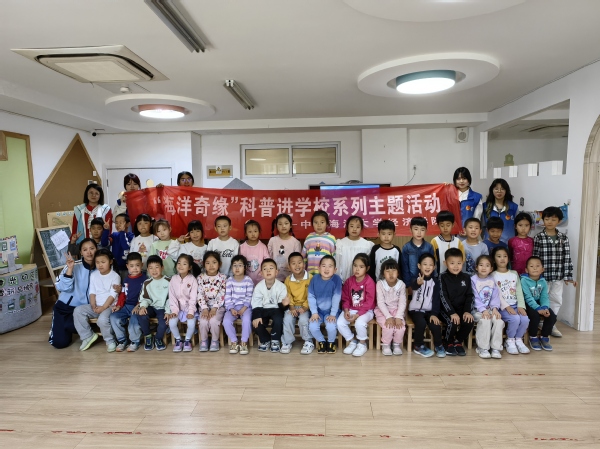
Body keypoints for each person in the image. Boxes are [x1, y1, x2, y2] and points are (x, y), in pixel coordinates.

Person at [533, 206, 576, 338]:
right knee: (542, 299)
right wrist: (535, 274)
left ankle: (551, 323)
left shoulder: (563, 238)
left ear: (559, 221)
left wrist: (568, 276)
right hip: (543, 277)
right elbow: (535, 257)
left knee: (556, 299)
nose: (550, 222)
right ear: (543, 220)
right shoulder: (538, 237)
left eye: (553, 219)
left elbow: (566, 257)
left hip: (558, 276)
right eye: (547, 219)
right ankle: (542, 322)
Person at [49, 238, 97, 349]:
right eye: (85, 250)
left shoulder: (101, 266)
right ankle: (58, 328)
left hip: (85, 309)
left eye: (92, 248)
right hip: (65, 307)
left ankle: (70, 327)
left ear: (97, 249)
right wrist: (70, 269)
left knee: (79, 325)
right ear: (81, 252)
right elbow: (61, 287)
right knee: (59, 344)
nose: (89, 252)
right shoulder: (74, 265)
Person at [73, 249, 121, 352]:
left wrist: (103, 307)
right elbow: (92, 291)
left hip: (109, 306)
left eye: (103, 262)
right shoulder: (94, 274)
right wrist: (93, 305)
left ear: (110, 261)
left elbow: (113, 295)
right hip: (97, 306)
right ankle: (87, 336)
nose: (100, 265)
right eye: (97, 262)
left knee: (102, 320)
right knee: (78, 311)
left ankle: (110, 341)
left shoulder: (115, 276)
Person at [492, 247, 530, 355]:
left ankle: (518, 339)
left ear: (508, 259)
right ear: (494, 259)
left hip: (515, 305)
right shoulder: (493, 275)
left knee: (525, 319)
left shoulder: (514, 273)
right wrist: (506, 306)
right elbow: (495, 294)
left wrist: (521, 306)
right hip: (502, 307)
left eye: (505, 256)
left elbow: (519, 291)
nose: (502, 259)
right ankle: (509, 340)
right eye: (499, 256)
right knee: (515, 319)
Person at [338, 253, 376, 357]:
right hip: (351, 309)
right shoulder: (349, 281)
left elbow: (369, 302)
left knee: (359, 323)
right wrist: (346, 310)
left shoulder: (370, 282)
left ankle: (362, 344)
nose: (357, 269)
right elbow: (345, 298)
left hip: (366, 310)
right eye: (355, 265)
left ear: (367, 268)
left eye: (361, 266)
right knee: (340, 323)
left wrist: (357, 315)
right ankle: (352, 341)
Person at [408, 253, 444, 358]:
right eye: (425, 264)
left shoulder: (435, 282)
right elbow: (413, 287)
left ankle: (438, 345)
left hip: (429, 311)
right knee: (421, 322)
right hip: (415, 310)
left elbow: (436, 300)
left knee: (435, 324)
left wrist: (434, 314)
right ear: (419, 266)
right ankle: (418, 346)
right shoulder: (415, 279)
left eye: (431, 265)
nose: (428, 267)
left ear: (434, 267)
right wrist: (418, 283)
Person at [109, 252, 147, 352]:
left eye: (137, 265)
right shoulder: (126, 279)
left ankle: (135, 341)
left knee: (134, 320)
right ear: (127, 266)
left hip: (138, 306)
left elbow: (147, 296)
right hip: (126, 306)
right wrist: (119, 305)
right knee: (113, 317)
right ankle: (122, 340)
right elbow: (123, 294)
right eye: (132, 266)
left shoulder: (145, 279)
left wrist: (139, 305)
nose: (135, 268)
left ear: (142, 265)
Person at [439, 248, 473, 356]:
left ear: (463, 262)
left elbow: (469, 296)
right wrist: (451, 313)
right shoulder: (442, 277)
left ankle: (458, 341)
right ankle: (447, 343)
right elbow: (443, 297)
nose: (456, 266)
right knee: (452, 321)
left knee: (469, 321)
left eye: (459, 263)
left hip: (461, 309)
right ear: (445, 263)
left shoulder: (466, 277)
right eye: (452, 263)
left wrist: (467, 311)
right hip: (445, 310)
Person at [251, 259, 290, 353]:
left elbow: (281, 304)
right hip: (262, 309)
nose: (268, 271)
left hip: (276, 308)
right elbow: (256, 302)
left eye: (271, 268)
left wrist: (284, 305)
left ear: (276, 272)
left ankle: (275, 340)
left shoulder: (281, 286)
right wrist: (257, 316)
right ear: (261, 273)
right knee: (255, 323)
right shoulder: (259, 287)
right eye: (265, 269)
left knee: (279, 319)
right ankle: (266, 339)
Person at [135, 255, 171, 352]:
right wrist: (143, 307)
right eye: (151, 268)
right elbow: (144, 298)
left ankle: (158, 338)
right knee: (141, 315)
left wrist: (168, 311)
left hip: (163, 308)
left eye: (156, 267)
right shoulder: (147, 283)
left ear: (162, 268)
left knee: (165, 322)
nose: (154, 270)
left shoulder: (168, 281)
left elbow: (171, 299)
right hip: (151, 306)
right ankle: (148, 336)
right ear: (147, 270)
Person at [471, 255, 504, 359]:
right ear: (476, 267)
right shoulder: (473, 280)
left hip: (490, 309)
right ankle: (483, 348)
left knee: (498, 321)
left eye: (487, 265)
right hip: (477, 310)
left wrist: (495, 309)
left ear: (491, 269)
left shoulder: (492, 280)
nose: (484, 268)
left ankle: (496, 348)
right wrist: (483, 310)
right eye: (481, 265)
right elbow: (475, 297)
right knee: (485, 320)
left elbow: (495, 296)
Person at [308, 255, 342, 354]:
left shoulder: (336, 279)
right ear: (319, 268)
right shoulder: (314, 279)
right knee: (312, 327)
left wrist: (333, 314)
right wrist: (314, 312)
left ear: (335, 269)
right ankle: (322, 341)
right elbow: (311, 296)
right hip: (318, 311)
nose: (326, 269)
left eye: (330, 266)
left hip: (331, 311)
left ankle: (331, 342)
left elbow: (336, 297)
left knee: (331, 326)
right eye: (323, 266)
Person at [166, 254, 200, 353]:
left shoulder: (192, 280)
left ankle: (187, 340)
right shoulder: (173, 279)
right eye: (179, 263)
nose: (181, 266)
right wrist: (174, 311)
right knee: (172, 323)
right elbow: (172, 297)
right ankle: (178, 340)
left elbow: (193, 298)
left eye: (184, 264)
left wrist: (191, 312)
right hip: (177, 309)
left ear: (189, 267)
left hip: (190, 309)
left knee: (191, 323)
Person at [521, 256, 556, 351]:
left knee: (552, 316)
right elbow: (527, 297)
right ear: (526, 270)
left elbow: (544, 296)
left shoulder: (543, 281)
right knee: (534, 316)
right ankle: (533, 336)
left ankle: (544, 336)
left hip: (539, 303)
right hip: (527, 303)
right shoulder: (523, 280)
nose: (535, 268)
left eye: (537, 266)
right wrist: (538, 309)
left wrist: (545, 308)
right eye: (531, 266)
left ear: (542, 269)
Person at [281, 252, 313, 354]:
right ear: (289, 266)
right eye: (293, 263)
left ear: (304, 264)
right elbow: (288, 295)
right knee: (287, 319)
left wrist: (305, 307)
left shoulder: (310, 278)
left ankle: (308, 341)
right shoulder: (288, 279)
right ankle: (287, 342)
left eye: (299, 262)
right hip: (293, 306)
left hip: (306, 306)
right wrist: (291, 307)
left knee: (303, 320)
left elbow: (312, 295)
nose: (297, 265)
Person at [374, 259, 406, 356]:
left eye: (394, 271)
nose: (391, 274)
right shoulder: (380, 284)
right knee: (388, 326)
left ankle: (396, 344)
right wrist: (388, 316)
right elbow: (380, 302)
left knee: (400, 327)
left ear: (398, 273)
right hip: (383, 311)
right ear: (383, 274)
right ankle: (386, 345)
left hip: (397, 311)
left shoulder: (402, 285)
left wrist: (398, 317)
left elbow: (402, 303)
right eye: (387, 271)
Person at [223, 255, 253, 355]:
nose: (237, 268)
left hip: (246, 307)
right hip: (232, 308)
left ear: (245, 267)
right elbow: (227, 297)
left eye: (240, 265)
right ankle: (234, 341)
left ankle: (244, 342)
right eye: (234, 265)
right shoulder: (229, 281)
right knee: (226, 321)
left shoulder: (248, 280)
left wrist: (244, 308)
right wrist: (231, 309)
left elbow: (249, 296)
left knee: (247, 320)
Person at [197, 251, 228, 352]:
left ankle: (215, 340)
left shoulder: (223, 278)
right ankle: (204, 340)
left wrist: (214, 308)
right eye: (208, 263)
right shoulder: (200, 278)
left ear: (220, 264)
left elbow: (222, 294)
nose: (211, 265)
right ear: (203, 264)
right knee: (203, 321)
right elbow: (199, 294)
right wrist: (205, 308)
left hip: (218, 307)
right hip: (204, 307)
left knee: (214, 320)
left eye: (214, 262)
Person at [335, 215, 374, 281]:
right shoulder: (341, 243)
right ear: (347, 227)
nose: (354, 229)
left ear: (361, 228)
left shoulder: (367, 245)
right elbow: (338, 264)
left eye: (358, 227)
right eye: (352, 226)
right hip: (344, 281)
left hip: (361, 281)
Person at [482, 178, 519, 243]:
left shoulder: (513, 207)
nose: (499, 191)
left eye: (502, 189)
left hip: (508, 244)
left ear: (506, 191)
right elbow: (482, 226)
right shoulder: (485, 207)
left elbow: (518, 227)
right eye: (496, 189)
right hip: (489, 243)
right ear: (492, 190)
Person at [268, 213, 302, 282]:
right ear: (276, 226)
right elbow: (269, 258)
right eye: (280, 224)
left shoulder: (296, 242)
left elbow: (297, 260)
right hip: (275, 278)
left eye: (286, 223)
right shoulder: (272, 241)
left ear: (290, 225)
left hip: (291, 279)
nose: (283, 226)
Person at [402, 217, 434, 286]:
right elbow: (405, 267)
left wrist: (433, 280)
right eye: (416, 229)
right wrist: (407, 284)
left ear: (426, 231)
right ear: (410, 230)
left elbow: (433, 264)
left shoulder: (429, 247)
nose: (419, 232)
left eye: (422, 230)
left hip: (427, 281)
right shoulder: (406, 247)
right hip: (412, 281)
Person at [302, 210, 336, 276]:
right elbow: (303, 256)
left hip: (326, 273)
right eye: (316, 222)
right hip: (310, 273)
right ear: (312, 224)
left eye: (322, 222)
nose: (319, 225)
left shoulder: (331, 238)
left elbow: (334, 257)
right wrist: (303, 270)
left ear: (327, 223)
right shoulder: (309, 237)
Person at [101, 213, 134, 280]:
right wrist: (106, 230)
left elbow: (125, 247)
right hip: (115, 267)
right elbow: (104, 243)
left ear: (128, 224)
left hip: (127, 268)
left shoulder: (132, 236)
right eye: (116, 223)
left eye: (121, 223)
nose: (118, 225)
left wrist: (122, 232)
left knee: (125, 285)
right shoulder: (114, 235)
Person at [431, 210, 465, 275]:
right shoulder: (435, 241)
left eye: (448, 225)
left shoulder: (458, 241)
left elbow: (462, 260)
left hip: (456, 275)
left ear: (453, 225)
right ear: (438, 225)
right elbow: (432, 260)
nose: (445, 228)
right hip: (439, 275)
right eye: (442, 225)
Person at [239, 220, 269, 285]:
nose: (253, 234)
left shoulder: (263, 247)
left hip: (260, 281)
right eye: (250, 232)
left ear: (259, 232)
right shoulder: (242, 247)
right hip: (245, 281)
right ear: (246, 233)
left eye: (255, 231)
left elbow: (267, 262)